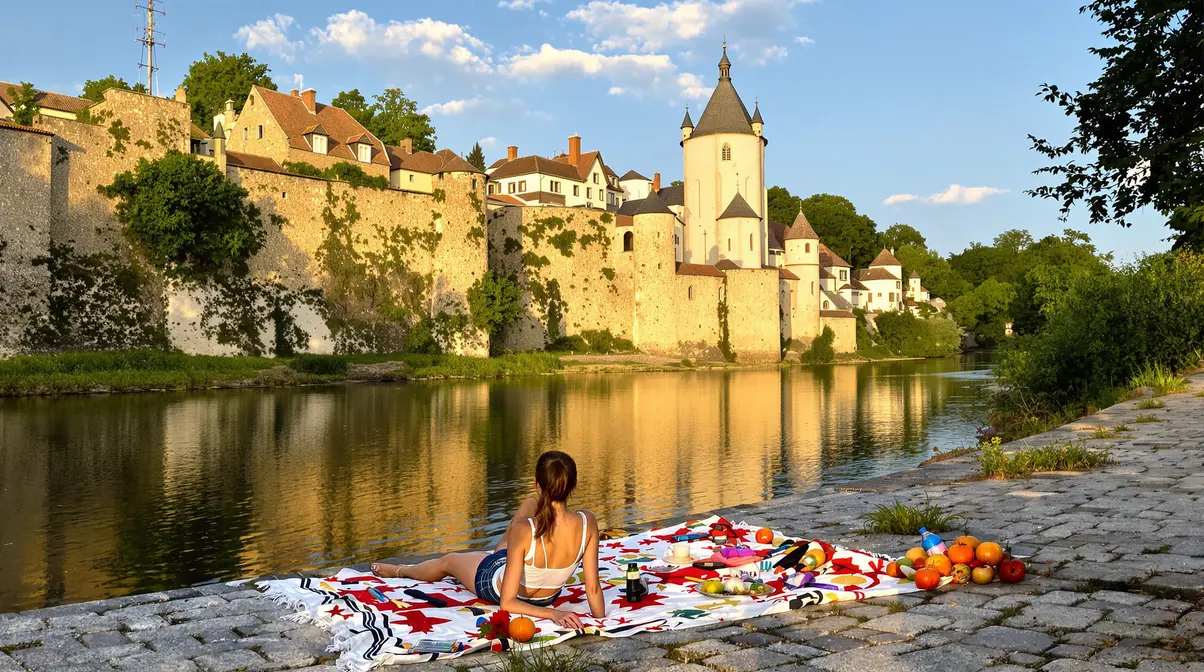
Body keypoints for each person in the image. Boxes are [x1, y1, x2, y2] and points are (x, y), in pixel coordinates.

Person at [371, 450, 605, 628]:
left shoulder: (523, 530)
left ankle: (400, 571)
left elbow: (508, 603)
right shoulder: (588, 522)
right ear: (573, 485)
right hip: (546, 596)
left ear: (537, 484)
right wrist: (601, 622)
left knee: (449, 561)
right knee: (516, 529)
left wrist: (555, 615)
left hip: (495, 583)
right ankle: (523, 519)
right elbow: (593, 587)